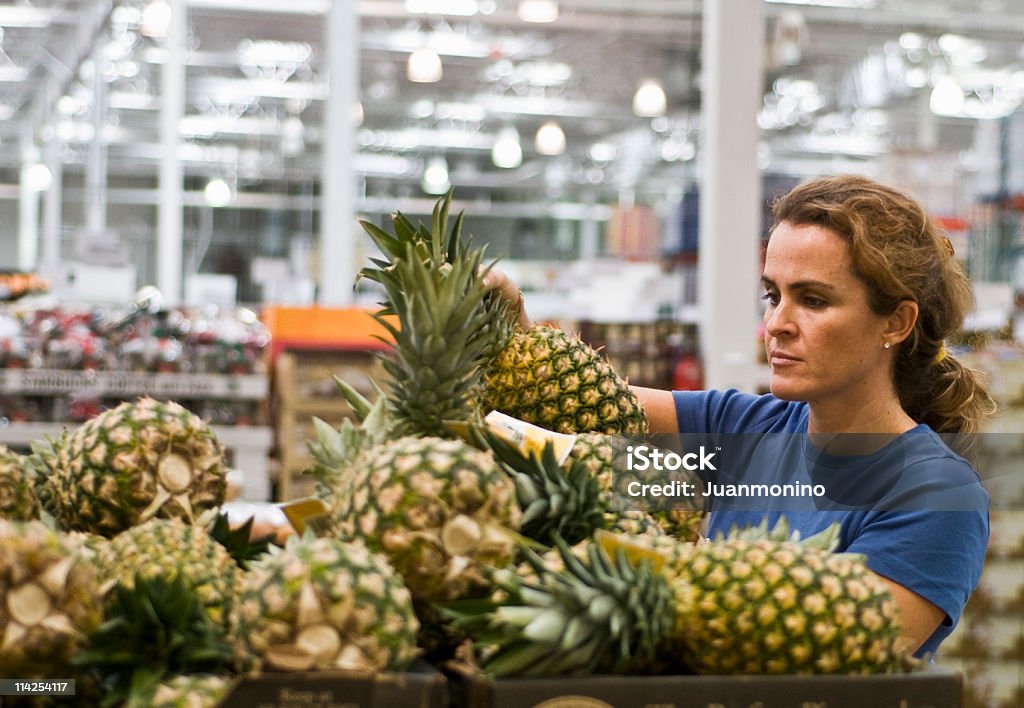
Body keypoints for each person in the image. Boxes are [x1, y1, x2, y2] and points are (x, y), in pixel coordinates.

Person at [485, 174, 996, 658]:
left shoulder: (936, 497)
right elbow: (572, 404)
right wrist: (506, 329)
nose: (775, 324)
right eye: (773, 295)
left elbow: (830, 658)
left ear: (897, 321)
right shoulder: (747, 428)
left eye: (813, 300)